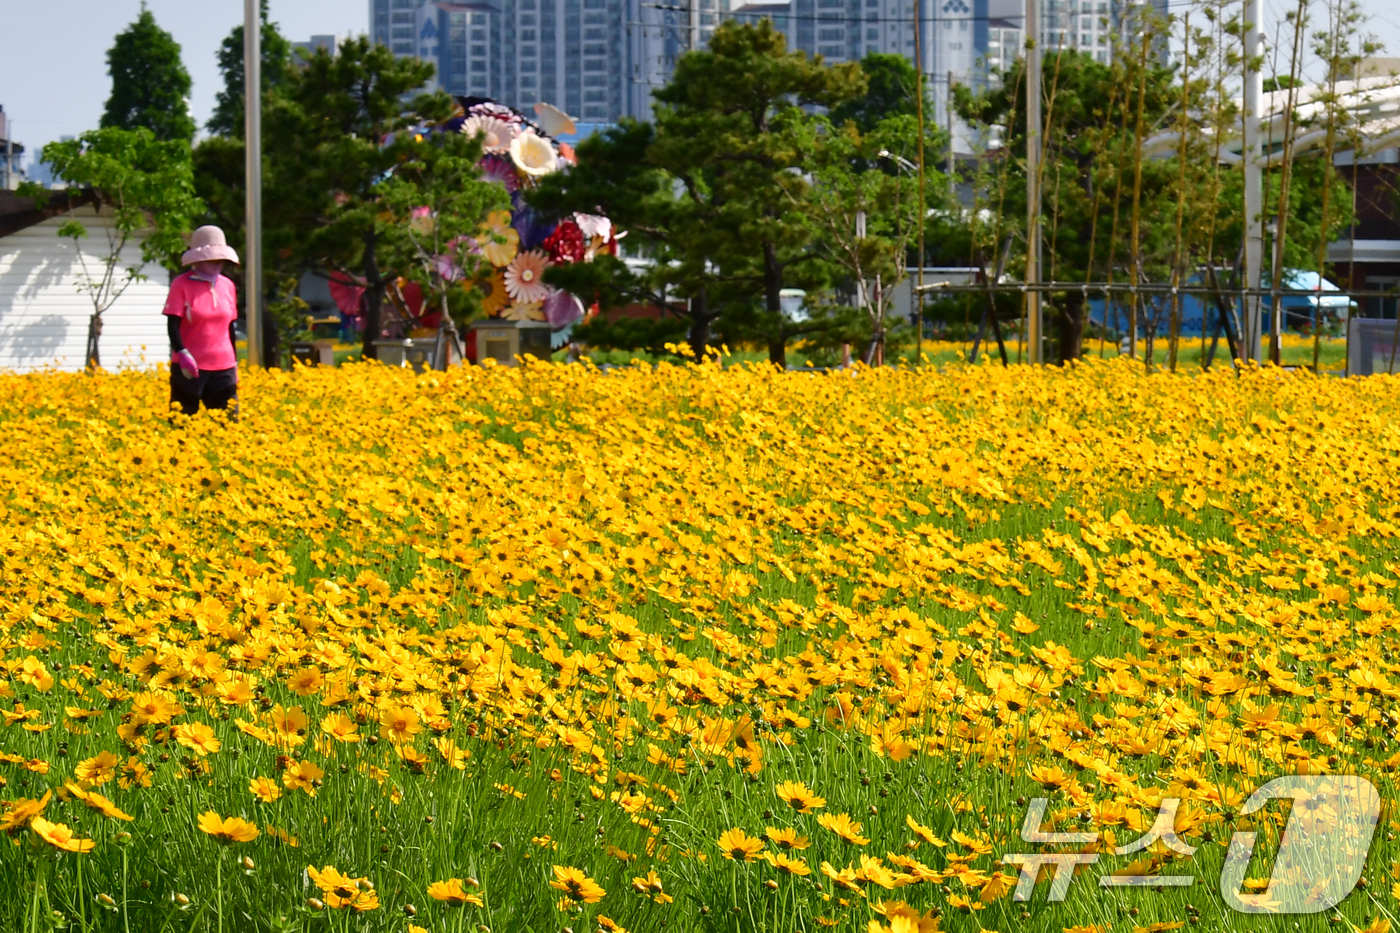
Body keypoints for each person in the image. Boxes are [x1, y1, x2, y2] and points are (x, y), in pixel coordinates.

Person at [165, 226, 240, 418]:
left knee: (228, 420)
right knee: (183, 418)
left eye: (220, 259)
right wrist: (181, 352)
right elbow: (173, 324)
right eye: (212, 259)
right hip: (190, 364)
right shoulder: (181, 285)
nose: (218, 264)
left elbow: (230, 326)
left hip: (223, 364)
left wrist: (235, 362)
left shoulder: (227, 285)